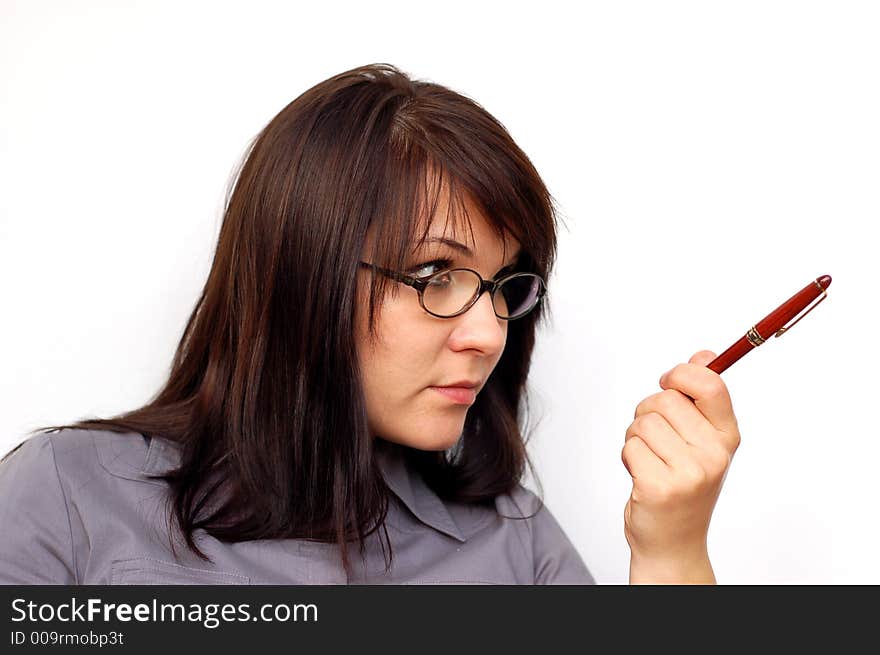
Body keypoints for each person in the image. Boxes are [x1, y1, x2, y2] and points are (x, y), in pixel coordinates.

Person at [0, 63, 740, 584]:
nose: (488, 334)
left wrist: (671, 553)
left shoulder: (516, 543)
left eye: (503, 286)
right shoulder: (67, 494)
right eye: (432, 276)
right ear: (301, 273)